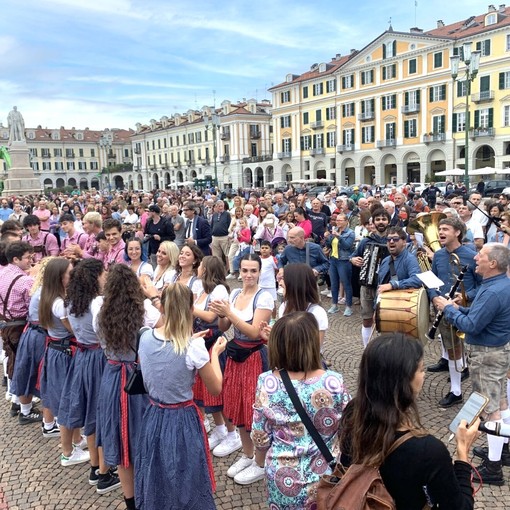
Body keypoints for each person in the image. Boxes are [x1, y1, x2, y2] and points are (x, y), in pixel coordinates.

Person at [339, 333, 478, 509]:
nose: (424, 374)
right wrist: (463, 454)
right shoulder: (428, 450)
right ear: (404, 381)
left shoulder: (353, 414)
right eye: (420, 369)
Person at [135, 283, 226, 510]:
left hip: (154, 414)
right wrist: (214, 353)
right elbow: (215, 388)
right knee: (187, 477)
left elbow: (158, 367)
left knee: (156, 471)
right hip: (182, 417)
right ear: (190, 307)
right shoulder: (194, 347)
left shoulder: (144, 337)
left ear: (162, 307)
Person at [251, 311, 350, 509]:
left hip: (282, 477)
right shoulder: (333, 382)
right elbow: (348, 427)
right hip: (326, 477)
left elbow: (260, 436)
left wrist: (260, 460)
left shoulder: (267, 382)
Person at [437, 243, 510, 485]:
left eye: (481, 255)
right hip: (496, 351)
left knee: (491, 411)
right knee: (499, 401)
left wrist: (449, 310)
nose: (475, 257)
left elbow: (472, 326)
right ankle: (502, 451)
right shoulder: (497, 285)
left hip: (487, 354)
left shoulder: (492, 291)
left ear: (493, 264)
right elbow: (479, 316)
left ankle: (494, 467)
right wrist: (460, 308)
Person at [95, 264, 162, 510]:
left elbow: (100, 344)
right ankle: (152, 493)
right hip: (140, 380)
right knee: (145, 438)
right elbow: (163, 330)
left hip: (113, 379)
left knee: (123, 446)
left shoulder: (100, 312)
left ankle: (131, 502)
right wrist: (154, 296)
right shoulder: (145, 310)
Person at [209, 254, 274, 485]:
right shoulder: (235, 294)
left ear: (259, 272)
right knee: (236, 405)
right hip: (236, 355)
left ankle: (260, 461)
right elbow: (223, 326)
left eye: (253, 271)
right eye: (245, 270)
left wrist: (230, 313)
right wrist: (220, 312)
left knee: (253, 409)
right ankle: (248, 454)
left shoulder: (264, 297)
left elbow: (255, 332)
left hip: (254, 358)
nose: (248, 275)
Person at [59, 259, 120, 493]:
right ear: (95, 277)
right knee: (102, 413)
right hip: (98, 359)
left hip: (83, 357)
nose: (105, 276)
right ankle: (103, 472)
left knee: (92, 414)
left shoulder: (72, 301)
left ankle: (96, 467)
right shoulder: (97, 303)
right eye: (103, 273)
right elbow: (105, 337)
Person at [427, 217, 480, 408]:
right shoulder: (438, 255)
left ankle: (479, 394)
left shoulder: (472, 255)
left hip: (467, 310)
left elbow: (482, 285)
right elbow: (432, 281)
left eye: (445, 229)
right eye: (440, 229)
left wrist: (465, 295)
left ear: (457, 232)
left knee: (474, 352)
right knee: (452, 350)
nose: (440, 232)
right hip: (445, 310)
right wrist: (434, 297)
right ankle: (456, 391)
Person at [0, 242, 39, 422]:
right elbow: (34, 309)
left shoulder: (3, 272)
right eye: (27, 258)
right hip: (20, 326)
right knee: (24, 366)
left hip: (6, 324)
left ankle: (17, 402)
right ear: (16, 259)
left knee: (13, 362)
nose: (31, 261)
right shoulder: (25, 281)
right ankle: (25, 410)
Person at [350, 208, 390, 347]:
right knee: (367, 319)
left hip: (387, 287)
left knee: (386, 321)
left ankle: (384, 349)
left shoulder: (393, 239)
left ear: (388, 222)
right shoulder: (366, 241)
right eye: (378, 219)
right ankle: (367, 348)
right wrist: (353, 260)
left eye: (384, 219)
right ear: (373, 222)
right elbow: (353, 255)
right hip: (367, 284)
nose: (381, 222)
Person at [324, 213, 355, 316]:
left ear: (346, 221)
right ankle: (334, 305)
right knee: (334, 283)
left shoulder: (350, 233)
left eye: (340, 220)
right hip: (333, 259)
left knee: (346, 283)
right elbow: (329, 245)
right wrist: (328, 237)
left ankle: (348, 306)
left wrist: (339, 237)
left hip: (344, 260)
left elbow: (347, 246)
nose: (338, 222)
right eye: (337, 220)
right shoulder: (335, 231)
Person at [377, 226, 421, 294]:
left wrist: (393, 285)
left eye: (395, 239)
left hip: (401, 302)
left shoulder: (410, 259)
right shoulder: (385, 261)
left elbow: (417, 280)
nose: (391, 241)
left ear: (404, 242)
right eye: (388, 239)